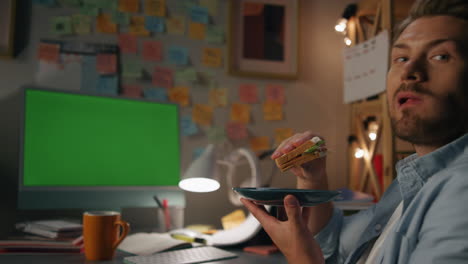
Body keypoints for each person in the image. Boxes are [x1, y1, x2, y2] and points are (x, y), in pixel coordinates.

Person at [241, 0, 468, 263]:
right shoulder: (413, 179)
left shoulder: (460, 190)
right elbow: (337, 246)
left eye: (440, 56)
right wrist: (313, 179)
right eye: (401, 58)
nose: (409, 71)